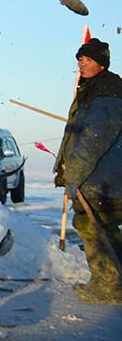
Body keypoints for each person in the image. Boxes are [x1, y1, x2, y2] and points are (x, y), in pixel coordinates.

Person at [54, 38, 122, 304]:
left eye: (88, 60)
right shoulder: (95, 89)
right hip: (100, 176)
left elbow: (93, 138)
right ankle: (109, 282)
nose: (82, 64)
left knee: (95, 227)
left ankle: (110, 285)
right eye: (80, 60)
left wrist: (74, 174)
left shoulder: (106, 92)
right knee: (102, 227)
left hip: (102, 178)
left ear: (102, 64)